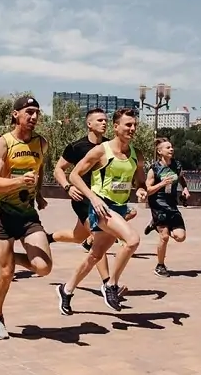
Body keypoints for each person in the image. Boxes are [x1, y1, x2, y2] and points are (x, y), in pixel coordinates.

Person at [56, 108, 148, 314]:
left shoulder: (137, 155)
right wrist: (93, 198)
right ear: (116, 127)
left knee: (95, 255)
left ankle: (66, 289)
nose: (132, 129)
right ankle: (110, 285)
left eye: (135, 125)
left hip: (119, 208)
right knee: (132, 240)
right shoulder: (101, 151)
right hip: (101, 207)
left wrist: (142, 190)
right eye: (128, 125)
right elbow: (74, 175)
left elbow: (140, 181)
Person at [0, 96, 53, 340]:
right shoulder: (3, 143)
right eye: (29, 112)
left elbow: (39, 167)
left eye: (37, 112)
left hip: (26, 213)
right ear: (16, 114)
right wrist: (19, 182)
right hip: (1, 211)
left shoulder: (41, 143)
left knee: (43, 267)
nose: (34, 117)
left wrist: (39, 193)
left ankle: (7, 259)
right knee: (6, 274)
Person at [47, 108, 129, 302]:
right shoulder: (76, 147)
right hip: (82, 199)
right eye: (99, 120)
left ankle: (49, 237)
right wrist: (67, 187)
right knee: (97, 238)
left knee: (78, 236)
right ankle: (108, 283)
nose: (104, 123)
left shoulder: (110, 146)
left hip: (104, 200)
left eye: (105, 120)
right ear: (89, 124)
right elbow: (58, 169)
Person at [144, 138, 190, 277]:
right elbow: (148, 190)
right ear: (159, 151)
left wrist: (185, 188)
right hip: (158, 204)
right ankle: (160, 266)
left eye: (171, 147)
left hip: (172, 204)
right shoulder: (154, 169)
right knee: (164, 237)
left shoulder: (176, 165)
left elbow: (181, 178)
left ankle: (154, 224)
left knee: (180, 237)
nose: (171, 149)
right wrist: (161, 184)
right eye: (168, 147)